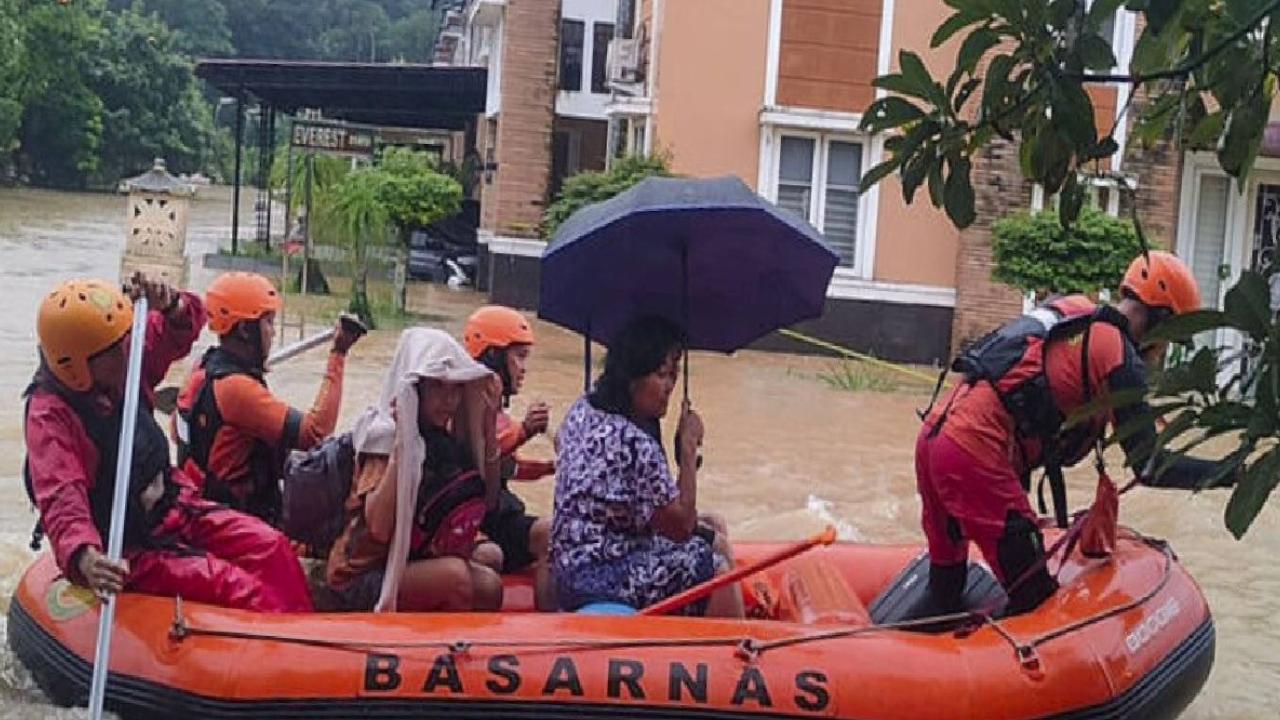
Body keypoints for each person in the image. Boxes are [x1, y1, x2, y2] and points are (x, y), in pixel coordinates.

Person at [918, 251, 1237, 616]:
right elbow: (1150, 465)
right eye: (1168, 339)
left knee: (946, 584)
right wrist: (1232, 472)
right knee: (1036, 601)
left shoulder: (1076, 315)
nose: (1162, 352)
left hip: (934, 435)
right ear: (1159, 321)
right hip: (973, 454)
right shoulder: (1118, 355)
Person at [24, 276, 311, 612]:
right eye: (114, 348)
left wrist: (170, 302)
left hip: (176, 506)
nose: (126, 349)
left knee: (272, 547)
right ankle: (279, 651)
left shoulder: (122, 364)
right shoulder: (50, 417)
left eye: (124, 338)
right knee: (235, 586)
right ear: (78, 367)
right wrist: (84, 555)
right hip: (128, 545)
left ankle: (306, 631)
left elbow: (182, 327)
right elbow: (62, 495)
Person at [550, 315, 743, 617]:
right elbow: (681, 527)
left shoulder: (584, 407)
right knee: (715, 570)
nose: (669, 387)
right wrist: (688, 453)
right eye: (661, 375)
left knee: (714, 525)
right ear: (632, 378)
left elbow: (563, 445)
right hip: (603, 573)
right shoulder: (634, 443)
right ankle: (735, 652)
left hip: (568, 562)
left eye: (673, 376)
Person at [325, 328, 505, 612]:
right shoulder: (382, 437)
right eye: (437, 387)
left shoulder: (442, 439)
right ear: (416, 388)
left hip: (415, 556)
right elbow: (380, 530)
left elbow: (489, 501)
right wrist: (402, 445)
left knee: (491, 580)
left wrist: (489, 427)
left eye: (456, 387)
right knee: (456, 577)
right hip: (364, 574)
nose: (449, 400)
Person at [174, 271, 362, 525]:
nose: (273, 333)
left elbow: (176, 432)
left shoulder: (202, 368)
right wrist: (338, 353)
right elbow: (315, 433)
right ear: (244, 329)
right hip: (234, 521)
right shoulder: (236, 389)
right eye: (269, 323)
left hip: (203, 505)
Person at [462, 306, 555, 606]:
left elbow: (509, 466)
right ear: (494, 356)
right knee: (551, 534)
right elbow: (485, 450)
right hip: (476, 519)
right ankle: (550, 629)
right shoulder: (465, 399)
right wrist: (525, 431)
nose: (523, 368)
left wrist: (553, 466)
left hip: (492, 512)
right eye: (518, 357)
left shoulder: (494, 408)